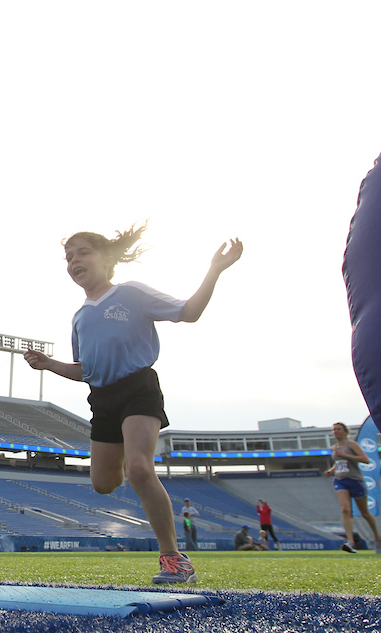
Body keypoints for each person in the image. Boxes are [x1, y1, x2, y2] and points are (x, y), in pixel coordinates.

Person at [23, 225, 242, 584]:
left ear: (107, 259)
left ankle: (174, 559)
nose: (74, 261)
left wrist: (214, 270)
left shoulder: (131, 293)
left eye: (82, 253)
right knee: (103, 484)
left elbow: (188, 312)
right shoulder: (79, 317)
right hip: (102, 399)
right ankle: (132, 461)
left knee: (140, 469)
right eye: (69, 257)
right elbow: (85, 370)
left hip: (138, 388)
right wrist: (49, 364)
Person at [324, 421, 381, 555]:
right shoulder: (334, 448)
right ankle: (350, 542)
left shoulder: (352, 445)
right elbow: (340, 463)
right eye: (334, 430)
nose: (336, 432)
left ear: (345, 431)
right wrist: (332, 470)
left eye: (338, 429)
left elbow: (365, 459)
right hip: (340, 480)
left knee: (364, 513)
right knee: (345, 509)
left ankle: (377, 537)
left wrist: (346, 455)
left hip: (355, 480)